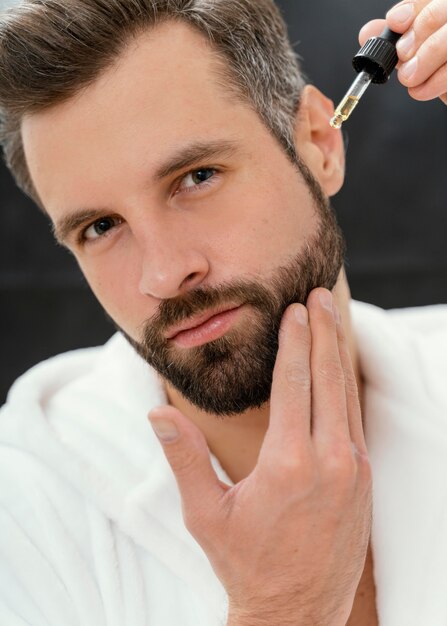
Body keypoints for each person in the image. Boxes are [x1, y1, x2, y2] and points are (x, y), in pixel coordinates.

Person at [0, 0, 446, 624]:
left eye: (197, 177)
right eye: (101, 226)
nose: (163, 275)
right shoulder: (21, 506)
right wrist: (285, 607)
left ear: (320, 143)